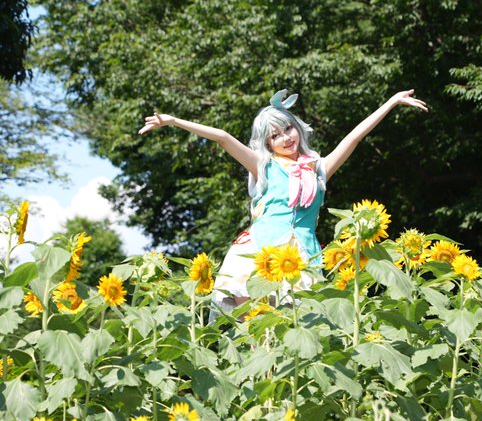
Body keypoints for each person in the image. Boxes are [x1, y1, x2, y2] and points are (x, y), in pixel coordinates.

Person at [139, 89, 427, 315]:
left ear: (297, 128)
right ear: (267, 144)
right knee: (255, 330)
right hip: (258, 253)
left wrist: (391, 103)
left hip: (303, 258)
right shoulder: (263, 166)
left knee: (294, 332)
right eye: (275, 136)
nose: (285, 138)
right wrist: (174, 121)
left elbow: (354, 137)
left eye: (288, 129)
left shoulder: (319, 168)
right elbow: (224, 138)